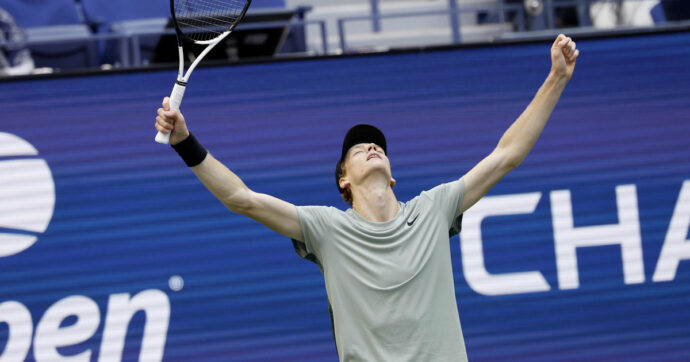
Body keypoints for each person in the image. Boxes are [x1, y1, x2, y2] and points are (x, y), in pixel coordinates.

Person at [155, 34, 580, 361]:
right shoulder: (327, 229)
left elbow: (507, 155)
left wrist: (555, 79)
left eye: (378, 147)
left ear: (393, 177)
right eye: (358, 149)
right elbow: (241, 198)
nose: (371, 148)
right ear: (344, 180)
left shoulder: (433, 209)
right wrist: (184, 141)